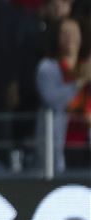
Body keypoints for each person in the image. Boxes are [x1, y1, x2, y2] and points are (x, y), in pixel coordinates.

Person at [36, 17, 90, 173]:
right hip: (60, 144)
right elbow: (54, 100)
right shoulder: (47, 68)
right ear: (57, 38)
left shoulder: (86, 65)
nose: (70, 37)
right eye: (65, 33)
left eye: (74, 32)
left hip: (86, 140)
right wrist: (80, 81)